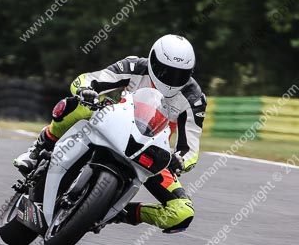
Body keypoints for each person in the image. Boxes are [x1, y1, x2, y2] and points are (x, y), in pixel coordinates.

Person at [13, 34, 206, 233]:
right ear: (153, 60)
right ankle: (37, 150)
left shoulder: (194, 99)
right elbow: (88, 79)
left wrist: (180, 161)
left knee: (182, 212)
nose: (171, 79)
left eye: (179, 75)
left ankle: (120, 213)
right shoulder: (134, 66)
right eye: (164, 71)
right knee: (78, 106)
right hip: (113, 121)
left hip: (150, 149)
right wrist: (86, 91)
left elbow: (189, 147)